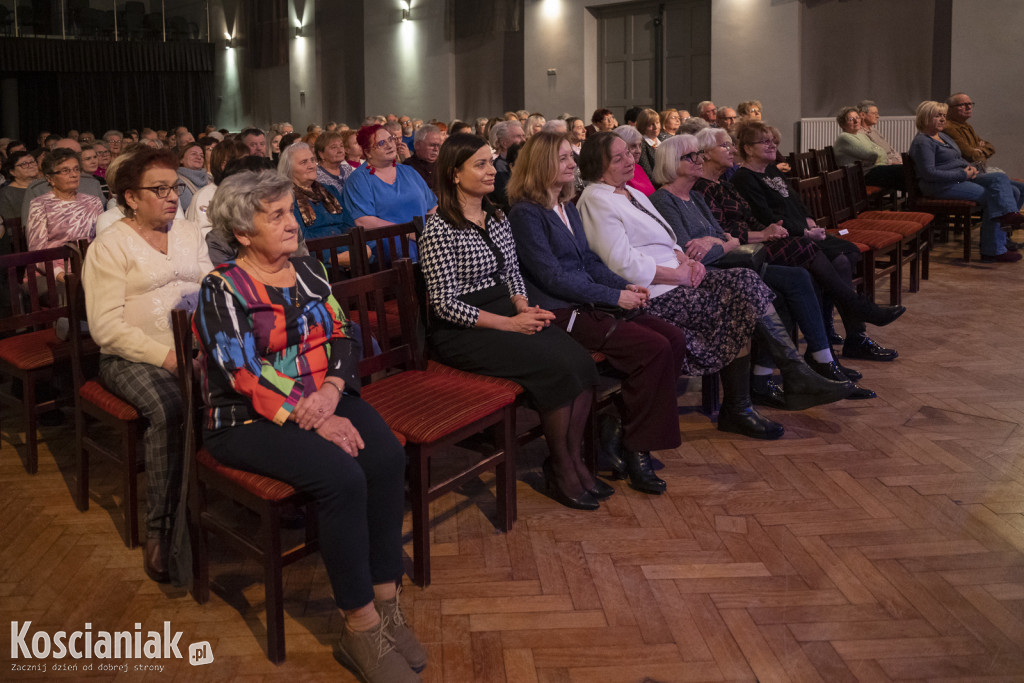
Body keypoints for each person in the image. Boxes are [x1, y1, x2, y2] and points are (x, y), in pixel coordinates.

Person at [193, 170, 423, 683]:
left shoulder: (308, 268)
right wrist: (312, 414)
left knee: (385, 458)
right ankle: (359, 628)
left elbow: (342, 333)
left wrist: (331, 394)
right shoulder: (222, 288)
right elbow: (242, 371)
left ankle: (387, 603)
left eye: (290, 210)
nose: (291, 222)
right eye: (275, 215)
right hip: (248, 417)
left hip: (323, 395)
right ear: (244, 232)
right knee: (342, 478)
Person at [577, 131, 852, 422]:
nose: (630, 160)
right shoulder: (596, 199)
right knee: (739, 305)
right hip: (652, 290)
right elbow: (620, 263)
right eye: (618, 157)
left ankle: (790, 374)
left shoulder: (631, 193)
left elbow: (666, 236)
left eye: (629, 153)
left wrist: (685, 259)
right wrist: (678, 274)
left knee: (745, 280)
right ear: (598, 164)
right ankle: (744, 405)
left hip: (679, 272)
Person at [420, 133, 604, 510]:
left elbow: (512, 274)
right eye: (481, 164)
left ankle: (567, 460)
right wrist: (509, 324)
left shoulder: (497, 215)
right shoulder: (439, 226)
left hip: (505, 312)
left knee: (581, 363)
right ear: (455, 174)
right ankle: (564, 468)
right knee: (556, 368)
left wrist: (522, 306)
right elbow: (443, 304)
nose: (492, 171)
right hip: (464, 330)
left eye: (491, 162)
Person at [508, 132, 686, 494]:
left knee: (673, 338)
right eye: (563, 159)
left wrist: (622, 288)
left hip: (588, 301)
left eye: (570, 158)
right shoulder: (526, 213)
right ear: (541, 164)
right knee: (652, 349)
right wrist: (613, 296)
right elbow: (552, 277)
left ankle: (618, 430)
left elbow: (588, 261)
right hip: (559, 311)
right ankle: (637, 450)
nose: (573, 164)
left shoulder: (566, 205)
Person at [650, 135, 878, 401]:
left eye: (699, 154)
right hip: (711, 275)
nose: (699, 159)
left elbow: (725, 237)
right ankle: (782, 375)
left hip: (730, 264)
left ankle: (819, 359)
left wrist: (718, 241)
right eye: (691, 156)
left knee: (798, 277)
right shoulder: (664, 201)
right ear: (670, 162)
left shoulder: (693, 197)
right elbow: (692, 255)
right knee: (778, 289)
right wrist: (721, 242)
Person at [82, 147, 213, 584]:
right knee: (172, 408)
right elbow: (105, 329)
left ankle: (238, 494)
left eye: (174, 186)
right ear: (130, 197)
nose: (172, 196)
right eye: (159, 189)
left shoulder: (190, 232)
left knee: (247, 385)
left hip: (195, 348)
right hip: (133, 357)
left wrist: (208, 346)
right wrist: (169, 357)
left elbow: (211, 286)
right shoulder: (109, 246)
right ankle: (162, 529)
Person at [693, 126, 904, 369]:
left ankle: (839, 339)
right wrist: (772, 232)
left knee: (842, 256)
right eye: (725, 146)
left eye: (731, 144)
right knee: (810, 255)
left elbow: (766, 212)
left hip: (765, 238)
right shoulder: (715, 185)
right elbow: (722, 229)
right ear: (706, 153)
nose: (731, 150)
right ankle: (851, 320)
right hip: (742, 252)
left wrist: (785, 226)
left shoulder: (725, 184)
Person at [908, 100, 1023, 263]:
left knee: (1014, 188)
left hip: (961, 178)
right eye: (937, 116)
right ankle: (994, 249)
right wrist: (963, 174)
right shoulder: (923, 142)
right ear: (925, 118)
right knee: (997, 197)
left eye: (943, 116)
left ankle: (1007, 222)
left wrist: (970, 168)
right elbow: (929, 173)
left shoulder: (942, 136)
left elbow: (958, 158)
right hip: (941, 186)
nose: (942, 119)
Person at [340, 125, 436, 254]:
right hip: (387, 245)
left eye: (391, 139)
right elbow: (363, 220)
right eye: (381, 143)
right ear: (367, 152)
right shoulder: (358, 180)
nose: (390, 145)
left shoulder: (409, 171)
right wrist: (406, 232)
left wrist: (431, 232)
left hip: (424, 240)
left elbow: (433, 206)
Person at [27, 148, 103, 284]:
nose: (73, 175)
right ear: (50, 178)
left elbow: (102, 242)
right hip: (53, 273)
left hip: (92, 268)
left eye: (76, 169)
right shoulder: (40, 204)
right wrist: (62, 276)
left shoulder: (93, 202)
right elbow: (37, 251)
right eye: (66, 171)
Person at [280, 142, 346, 242]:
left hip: (347, 247)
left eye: (312, 160)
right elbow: (302, 240)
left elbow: (349, 225)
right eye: (304, 162)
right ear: (289, 169)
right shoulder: (287, 199)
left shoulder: (331, 190)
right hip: (319, 253)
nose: (311, 166)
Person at [186, 139, 250, 235]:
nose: (249, 167)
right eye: (245, 162)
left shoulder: (243, 191)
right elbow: (205, 236)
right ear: (224, 165)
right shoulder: (206, 196)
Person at [832, 107, 902, 190]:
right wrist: (877, 159)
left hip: (869, 171)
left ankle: (914, 199)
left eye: (857, 117)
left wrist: (875, 159)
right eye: (851, 119)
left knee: (904, 172)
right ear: (842, 124)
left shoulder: (860, 135)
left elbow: (882, 152)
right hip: (859, 177)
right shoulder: (844, 137)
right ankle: (915, 199)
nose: (856, 121)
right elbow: (872, 155)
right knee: (903, 172)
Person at [487, 119, 526, 211]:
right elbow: (509, 199)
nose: (523, 140)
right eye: (518, 136)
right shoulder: (499, 167)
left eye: (523, 136)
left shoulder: (522, 164)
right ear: (504, 143)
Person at [613, 126, 656, 197]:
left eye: (640, 145)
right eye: (633, 146)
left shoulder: (638, 167)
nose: (638, 151)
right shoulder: (617, 172)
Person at [857, 100, 902, 166]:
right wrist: (892, 162)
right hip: (882, 166)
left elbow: (890, 148)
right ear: (862, 115)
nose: (878, 116)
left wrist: (900, 160)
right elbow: (874, 157)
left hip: (893, 162)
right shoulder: (860, 134)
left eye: (877, 113)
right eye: (874, 113)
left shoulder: (874, 131)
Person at [314, 130, 355, 199]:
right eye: (334, 147)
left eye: (341, 146)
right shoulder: (316, 175)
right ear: (321, 154)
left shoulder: (348, 169)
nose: (340, 150)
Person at [403, 123, 442, 188]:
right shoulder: (408, 168)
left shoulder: (443, 165)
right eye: (432, 145)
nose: (436, 149)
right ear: (417, 145)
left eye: (438, 145)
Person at [176, 142, 211, 213]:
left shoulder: (211, 178)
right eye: (193, 154)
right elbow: (191, 209)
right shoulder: (177, 182)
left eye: (202, 156)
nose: (199, 157)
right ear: (181, 159)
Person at [635, 109, 661, 177]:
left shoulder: (663, 141)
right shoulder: (641, 145)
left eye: (657, 123)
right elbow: (648, 174)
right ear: (643, 126)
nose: (655, 127)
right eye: (651, 124)